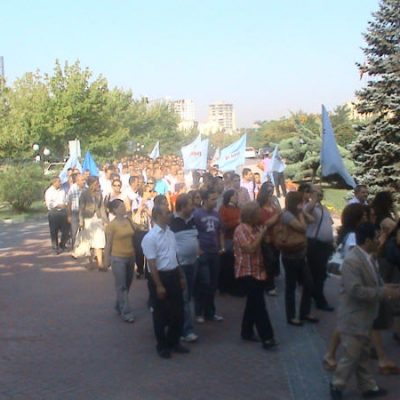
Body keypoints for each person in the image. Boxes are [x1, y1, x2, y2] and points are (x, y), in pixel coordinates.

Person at [330, 223, 400, 400]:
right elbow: (355, 291)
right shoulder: (353, 261)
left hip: (366, 316)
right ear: (367, 241)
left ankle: (368, 386)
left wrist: (389, 287)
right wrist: (384, 292)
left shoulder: (368, 258)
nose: (379, 240)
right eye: (376, 237)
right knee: (351, 355)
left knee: (362, 354)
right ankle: (336, 385)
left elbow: (375, 283)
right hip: (354, 317)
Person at [141, 206, 189, 359]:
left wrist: (181, 276)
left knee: (178, 311)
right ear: (157, 215)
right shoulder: (150, 238)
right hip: (160, 276)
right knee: (161, 313)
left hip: (173, 273)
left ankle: (174, 342)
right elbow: (152, 263)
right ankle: (162, 346)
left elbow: (174, 256)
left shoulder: (170, 233)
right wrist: (159, 285)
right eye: (167, 213)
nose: (170, 214)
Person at [233, 202, 278, 350]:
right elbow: (250, 248)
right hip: (246, 271)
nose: (261, 215)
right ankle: (267, 337)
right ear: (251, 215)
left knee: (253, 303)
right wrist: (261, 235)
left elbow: (266, 242)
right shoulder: (240, 230)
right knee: (259, 305)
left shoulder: (257, 227)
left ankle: (246, 331)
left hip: (259, 270)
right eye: (258, 213)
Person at [280, 191, 316, 326]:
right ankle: (291, 316)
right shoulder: (287, 215)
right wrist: (301, 214)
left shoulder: (297, 213)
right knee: (291, 286)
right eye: (301, 201)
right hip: (290, 256)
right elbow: (303, 228)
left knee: (309, 284)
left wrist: (302, 212)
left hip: (300, 255)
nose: (303, 203)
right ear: (295, 203)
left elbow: (312, 220)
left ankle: (304, 312)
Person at [169, 194, 200, 343]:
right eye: (190, 205)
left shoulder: (192, 219)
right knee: (184, 297)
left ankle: (180, 325)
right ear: (182, 207)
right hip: (180, 265)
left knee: (188, 297)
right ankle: (186, 330)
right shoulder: (172, 222)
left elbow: (196, 238)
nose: (192, 207)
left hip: (193, 263)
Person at [193, 189, 225, 323]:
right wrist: (198, 248)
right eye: (212, 199)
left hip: (214, 252)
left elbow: (220, 231)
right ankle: (199, 312)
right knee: (203, 283)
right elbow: (193, 233)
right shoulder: (197, 214)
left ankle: (210, 312)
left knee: (213, 284)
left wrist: (222, 246)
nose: (215, 202)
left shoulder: (216, 214)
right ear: (205, 200)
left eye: (216, 199)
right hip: (203, 252)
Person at [104, 199, 136, 323]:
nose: (124, 208)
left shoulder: (128, 221)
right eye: (121, 206)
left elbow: (137, 229)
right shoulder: (111, 225)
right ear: (115, 210)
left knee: (127, 283)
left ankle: (119, 304)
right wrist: (106, 259)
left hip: (130, 256)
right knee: (121, 285)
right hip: (118, 258)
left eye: (124, 206)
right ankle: (126, 312)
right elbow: (108, 243)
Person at [305, 186, 335, 311]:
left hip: (326, 245)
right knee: (317, 273)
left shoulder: (324, 208)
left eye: (321, 192)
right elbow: (307, 210)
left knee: (321, 273)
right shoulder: (309, 207)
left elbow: (330, 223)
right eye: (317, 192)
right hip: (315, 244)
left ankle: (315, 294)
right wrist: (314, 199)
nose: (320, 194)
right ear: (311, 194)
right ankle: (319, 300)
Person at [257, 181, 281, 296]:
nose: (271, 194)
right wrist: (277, 215)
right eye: (269, 191)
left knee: (274, 260)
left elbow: (280, 216)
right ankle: (269, 286)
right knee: (269, 261)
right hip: (265, 237)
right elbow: (265, 223)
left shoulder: (274, 205)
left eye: (272, 190)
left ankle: (269, 279)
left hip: (275, 237)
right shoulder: (259, 207)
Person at [79, 177, 108, 271]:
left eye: (97, 183)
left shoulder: (99, 194)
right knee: (89, 242)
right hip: (88, 219)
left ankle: (100, 264)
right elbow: (81, 208)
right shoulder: (84, 194)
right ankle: (90, 262)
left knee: (99, 240)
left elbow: (102, 208)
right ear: (90, 184)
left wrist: (105, 221)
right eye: (95, 183)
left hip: (97, 219)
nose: (97, 185)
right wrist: (81, 221)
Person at [219, 189, 242, 296]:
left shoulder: (238, 208)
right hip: (228, 239)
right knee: (228, 264)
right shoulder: (223, 209)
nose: (237, 197)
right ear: (230, 197)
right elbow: (223, 226)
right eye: (235, 195)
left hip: (238, 239)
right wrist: (236, 222)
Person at [44, 177, 69, 254]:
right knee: (54, 231)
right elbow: (49, 204)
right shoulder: (49, 191)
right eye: (58, 182)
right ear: (54, 182)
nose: (60, 183)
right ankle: (55, 247)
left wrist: (65, 205)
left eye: (60, 181)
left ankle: (62, 244)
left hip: (63, 212)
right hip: (54, 213)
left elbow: (66, 200)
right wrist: (58, 205)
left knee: (65, 231)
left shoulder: (63, 190)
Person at [67, 173, 86, 249]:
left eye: (84, 180)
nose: (84, 181)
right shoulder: (72, 189)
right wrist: (69, 215)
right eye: (82, 180)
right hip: (75, 213)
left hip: (84, 213)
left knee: (85, 231)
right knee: (74, 231)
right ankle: (75, 247)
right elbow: (69, 203)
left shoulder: (86, 189)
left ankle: (83, 248)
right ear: (77, 181)